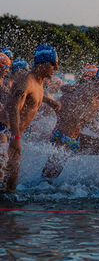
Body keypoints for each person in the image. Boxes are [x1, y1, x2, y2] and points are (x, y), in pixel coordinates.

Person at [0, 45, 60, 192]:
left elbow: (31, 95)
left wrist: (49, 101)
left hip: (12, 133)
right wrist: (15, 138)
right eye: (53, 64)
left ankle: (8, 213)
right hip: (5, 132)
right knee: (5, 180)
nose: (56, 68)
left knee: (10, 186)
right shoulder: (26, 80)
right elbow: (14, 108)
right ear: (42, 64)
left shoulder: (37, 82)